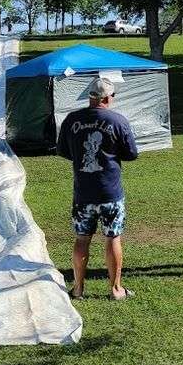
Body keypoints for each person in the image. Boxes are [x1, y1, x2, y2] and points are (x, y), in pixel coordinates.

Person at [56, 75, 138, 301]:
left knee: (82, 239)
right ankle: (115, 289)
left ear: (90, 97)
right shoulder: (118, 120)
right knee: (113, 237)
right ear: (108, 98)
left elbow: (62, 151)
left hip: (83, 192)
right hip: (110, 192)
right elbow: (131, 153)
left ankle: (79, 288)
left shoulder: (72, 120)